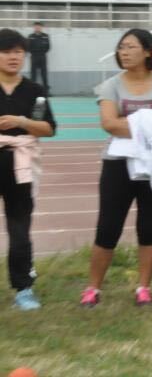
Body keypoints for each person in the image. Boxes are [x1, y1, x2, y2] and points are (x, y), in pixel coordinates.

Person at [80, 30, 152, 308]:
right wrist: (149, 123)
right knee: (108, 227)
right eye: (121, 47)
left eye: (131, 47)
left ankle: (143, 287)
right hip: (117, 164)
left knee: (149, 226)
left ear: (147, 51)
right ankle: (93, 288)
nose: (124, 52)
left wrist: (131, 122)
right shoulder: (111, 85)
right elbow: (109, 123)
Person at [0, 29, 56, 311]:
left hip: (20, 164)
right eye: (6, 51)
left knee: (20, 228)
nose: (13, 57)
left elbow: (48, 128)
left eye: (18, 52)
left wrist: (21, 122)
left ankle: (23, 288)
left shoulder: (35, 91)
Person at [26, 23, 49, 94]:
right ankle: (32, 91)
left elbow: (48, 47)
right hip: (34, 56)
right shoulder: (31, 36)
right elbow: (28, 47)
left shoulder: (45, 36)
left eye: (39, 27)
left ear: (41, 27)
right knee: (33, 75)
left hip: (42, 56)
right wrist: (34, 52)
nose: (37, 28)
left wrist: (42, 52)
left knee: (44, 74)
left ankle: (46, 92)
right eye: (36, 27)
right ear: (34, 27)